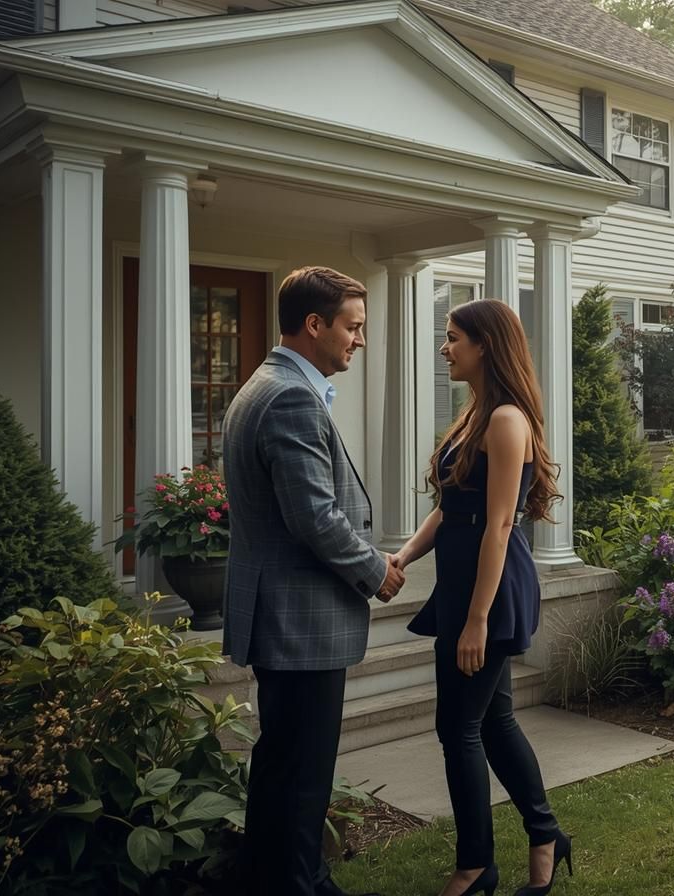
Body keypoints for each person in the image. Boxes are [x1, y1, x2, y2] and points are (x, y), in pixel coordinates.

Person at [222, 266, 405, 896]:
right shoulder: (291, 397)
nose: (358, 339)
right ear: (314, 325)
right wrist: (374, 568)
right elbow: (314, 517)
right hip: (300, 620)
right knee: (302, 775)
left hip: (286, 616)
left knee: (281, 768)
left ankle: (281, 880)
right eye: (352, 327)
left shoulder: (264, 385)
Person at [392, 299, 571, 896]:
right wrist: (403, 557)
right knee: (491, 722)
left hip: (488, 593)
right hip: (466, 586)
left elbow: (497, 526)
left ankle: (475, 866)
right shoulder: (477, 414)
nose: (445, 348)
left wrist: (475, 620)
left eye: (453, 338)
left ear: (485, 345)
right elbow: (449, 509)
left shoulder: (506, 420)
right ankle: (545, 837)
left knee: (457, 728)